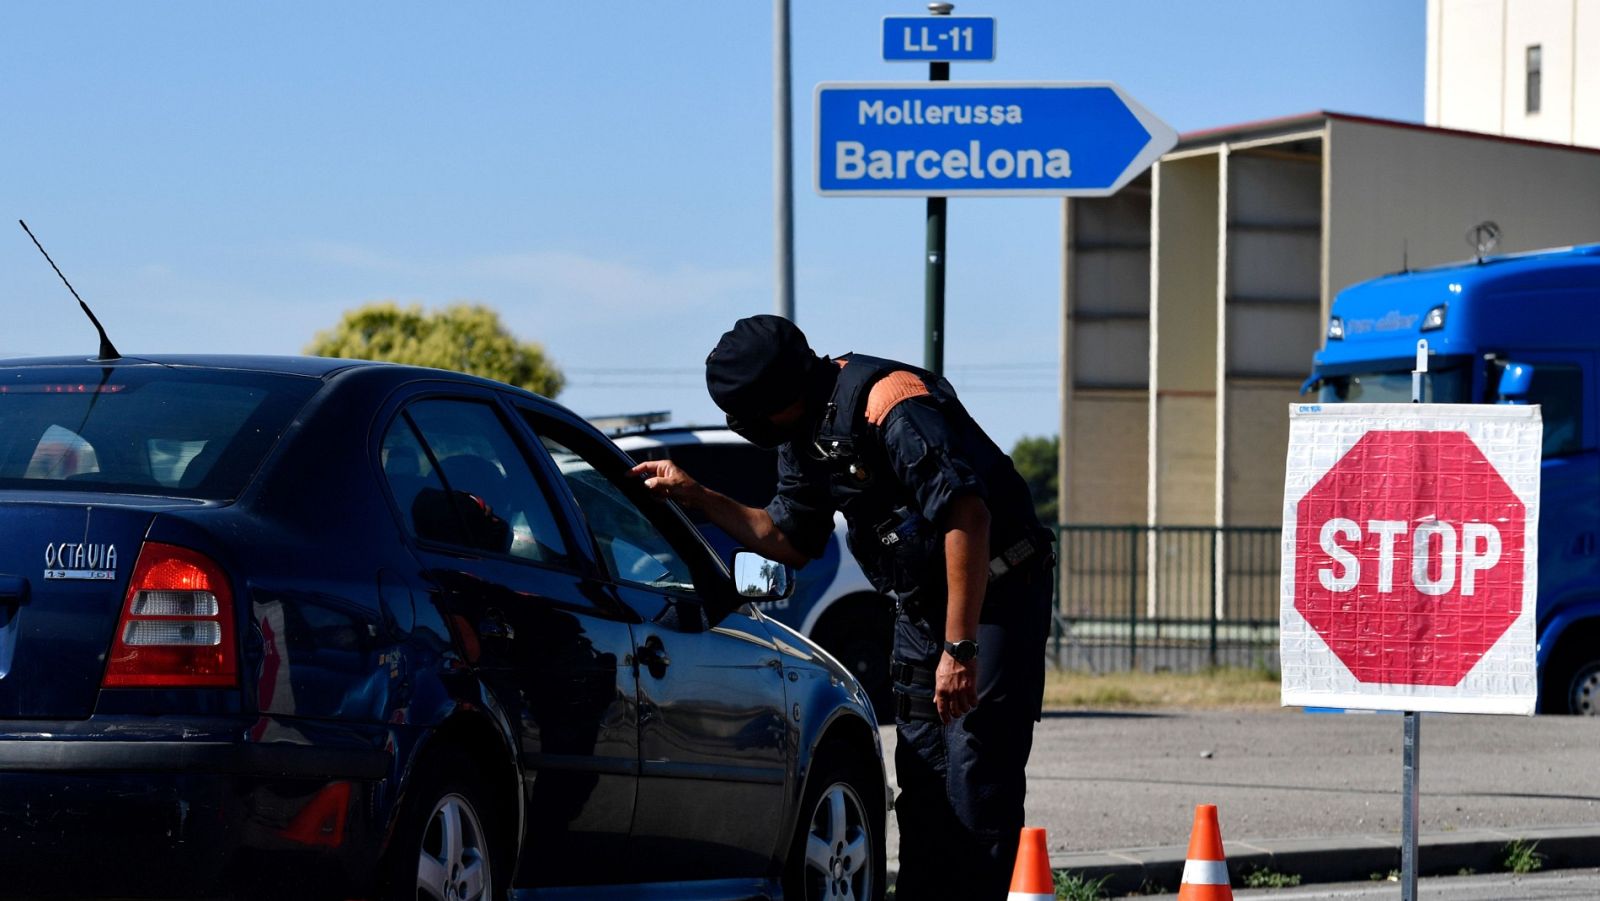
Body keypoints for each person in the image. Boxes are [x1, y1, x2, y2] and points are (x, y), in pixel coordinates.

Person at [631, 315, 1055, 899]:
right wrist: (696, 495)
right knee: (926, 775)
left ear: (779, 397)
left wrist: (960, 648)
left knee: (976, 771)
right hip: (921, 608)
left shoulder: (892, 405)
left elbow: (968, 516)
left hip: (995, 597)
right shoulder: (804, 435)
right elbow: (786, 539)